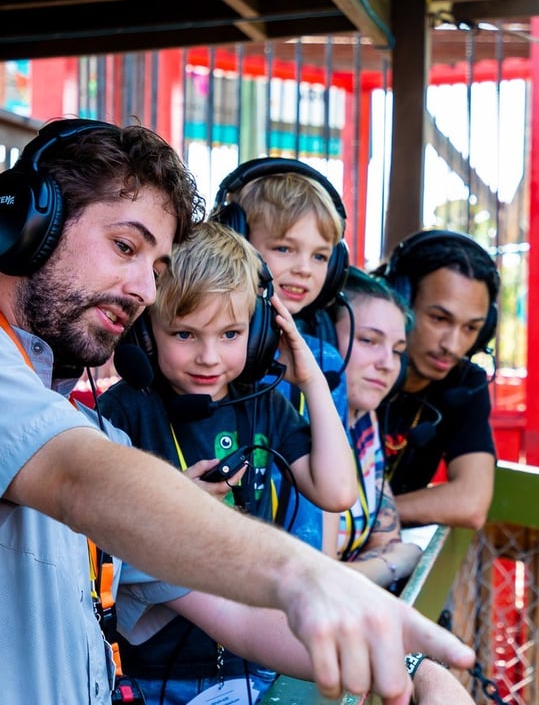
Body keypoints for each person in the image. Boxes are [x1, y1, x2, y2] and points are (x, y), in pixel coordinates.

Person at [0, 118, 473, 705]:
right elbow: (79, 478)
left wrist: (409, 666)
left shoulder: (95, 431)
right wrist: (301, 572)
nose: (144, 292)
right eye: (125, 247)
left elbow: (244, 618)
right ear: (26, 226)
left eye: (156, 270)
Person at [97, 219, 356, 704]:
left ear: (259, 335)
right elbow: (103, 540)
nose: (209, 357)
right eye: (185, 334)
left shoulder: (262, 403)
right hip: (152, 675)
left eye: (232, 334)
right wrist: (173, 500)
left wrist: (312, 382)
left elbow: (336, 491)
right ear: (145, 334)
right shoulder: (126, 410)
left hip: (249, 670)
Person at [213, 157, 352, 553]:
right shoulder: (204, 354)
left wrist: (323, 575)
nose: (305, 269)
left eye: (320, 256)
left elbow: (328, 502)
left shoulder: (323, 362)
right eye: (285, 248)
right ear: (234, 239)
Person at [374, 229, 501, 530]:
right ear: (400, 300)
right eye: (439, 319)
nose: (453, 345)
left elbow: (471, 502)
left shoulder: (465, 384)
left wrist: (367, 517)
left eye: (471, 328)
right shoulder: (349, 363)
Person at [326, 267, 424, 589]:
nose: (387, 364)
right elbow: (320, 581)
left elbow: (385, 537)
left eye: (397, 351)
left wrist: (377, 562)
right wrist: (396, 562)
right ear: (325, 341)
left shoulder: (364, 419)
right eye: (369, 340)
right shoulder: (304, 427)